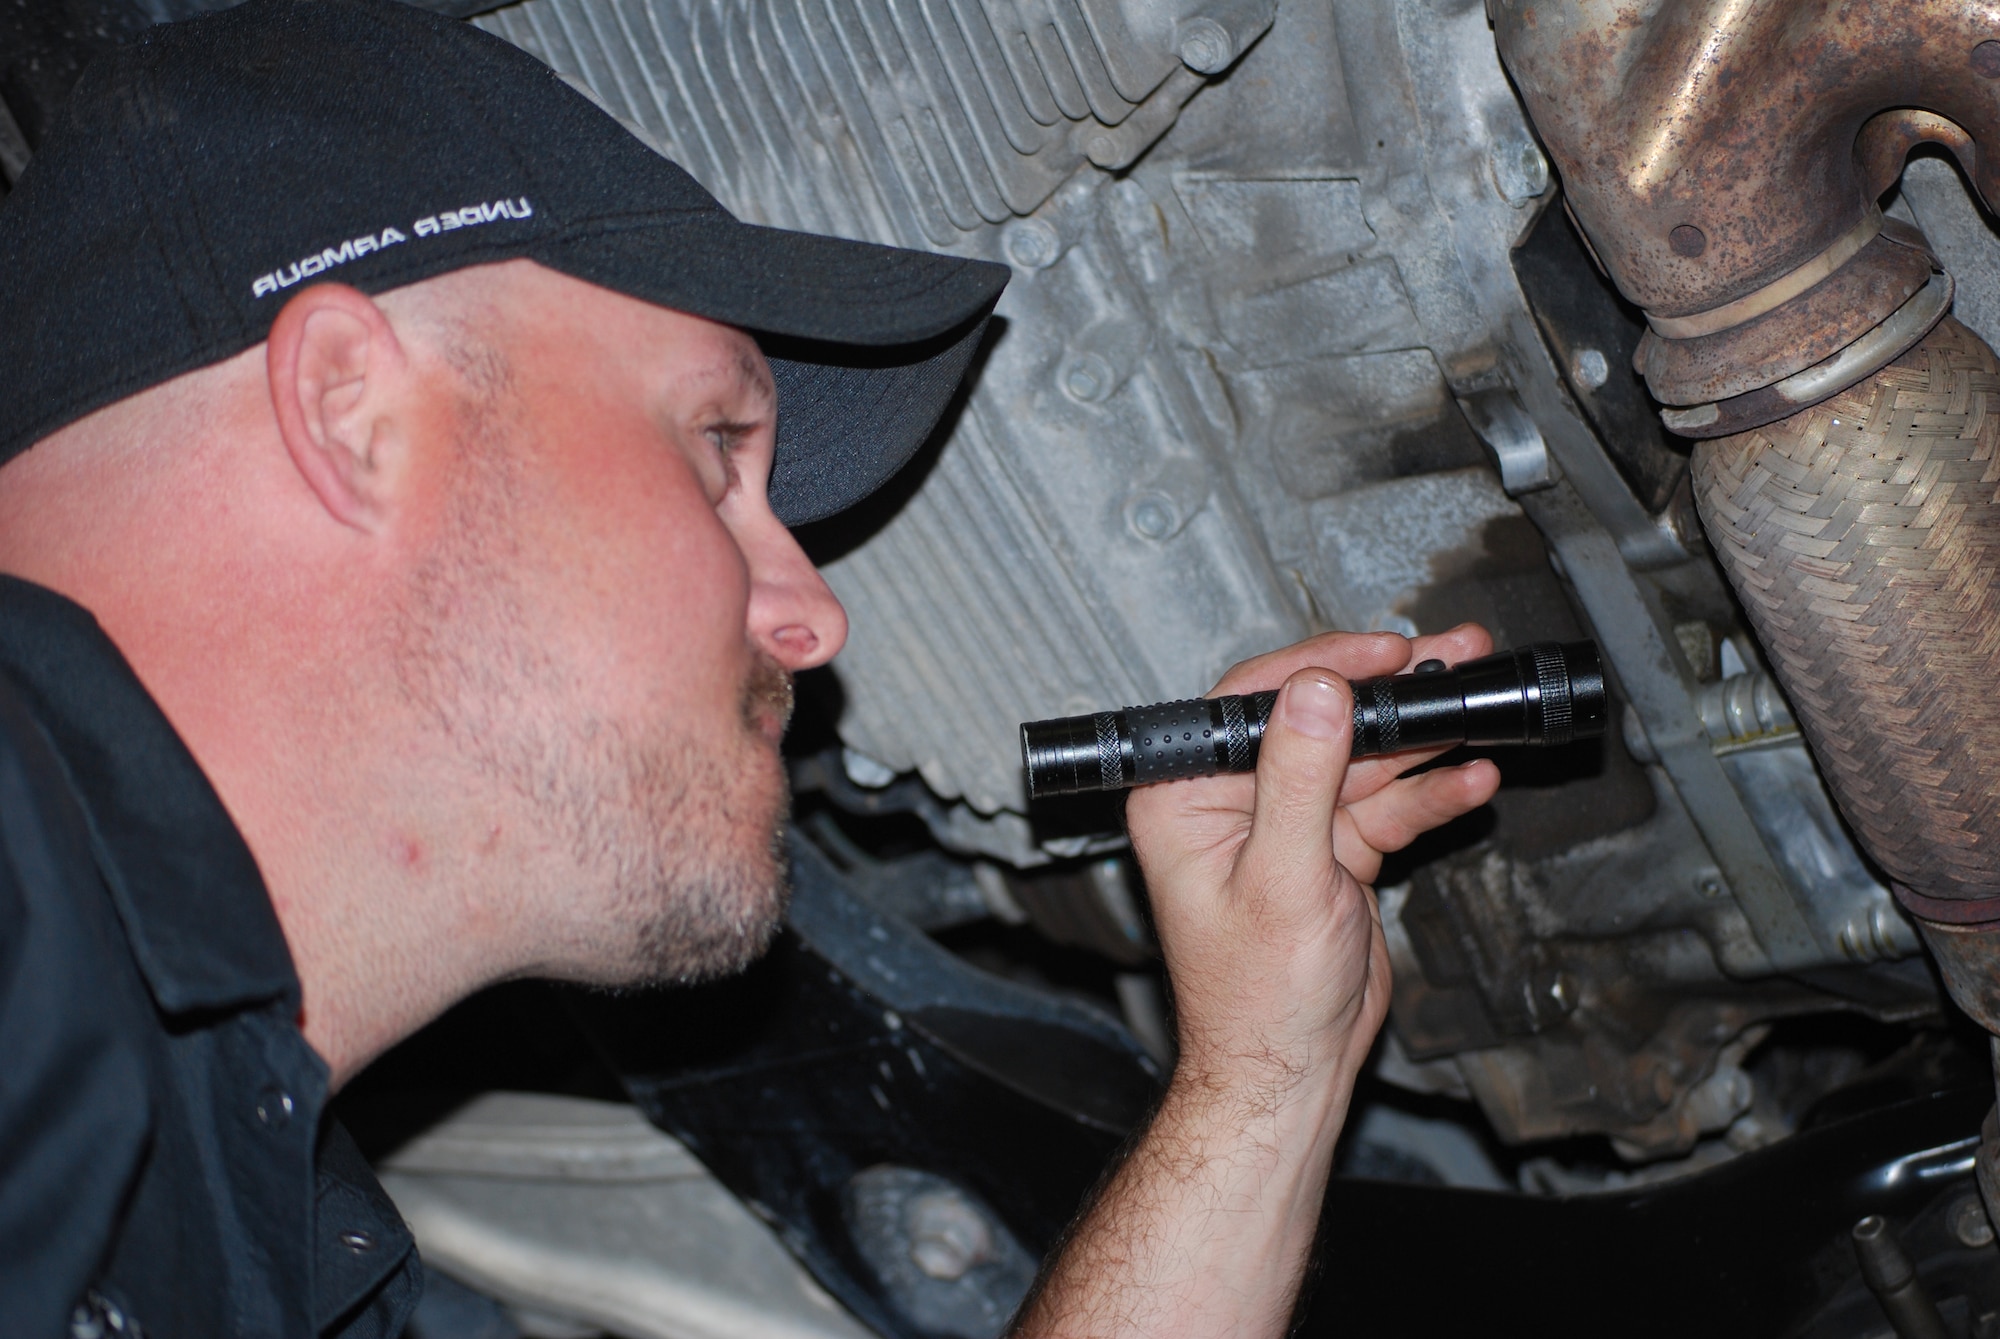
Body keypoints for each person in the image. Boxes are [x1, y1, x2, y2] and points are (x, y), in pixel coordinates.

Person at [0, 1, 1502, 1335]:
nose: (814, 618)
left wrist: (1263, 1081)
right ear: (347, 411)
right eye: (720, 447)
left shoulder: (298, 1262)